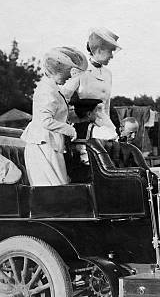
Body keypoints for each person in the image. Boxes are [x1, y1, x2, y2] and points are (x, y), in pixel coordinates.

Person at [21, 46, 87, 186]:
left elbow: (64, 98)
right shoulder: (47, 90)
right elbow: (46, 121)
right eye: (69, 71)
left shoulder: (52, 88)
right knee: (52, 188)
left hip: (49, 145)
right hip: (43, 146)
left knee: (57, 187)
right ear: (59, 70)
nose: (70, 76)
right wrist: (70, 130)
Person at [61, 27, 122, 119]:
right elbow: (63, 97)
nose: (112, 56)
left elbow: (106, 106)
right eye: (110, 51)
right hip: (82, 123)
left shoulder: (108, 74)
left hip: (102, 125)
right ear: (99, 50)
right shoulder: (80, 70)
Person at [68, 98, 118, 183]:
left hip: (74, 172)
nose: (97, 114)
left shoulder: (70, 128)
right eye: (95, 111)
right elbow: (114, 134)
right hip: (91, 172)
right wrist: (102, 114)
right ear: (89, 114)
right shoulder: (94, 130)